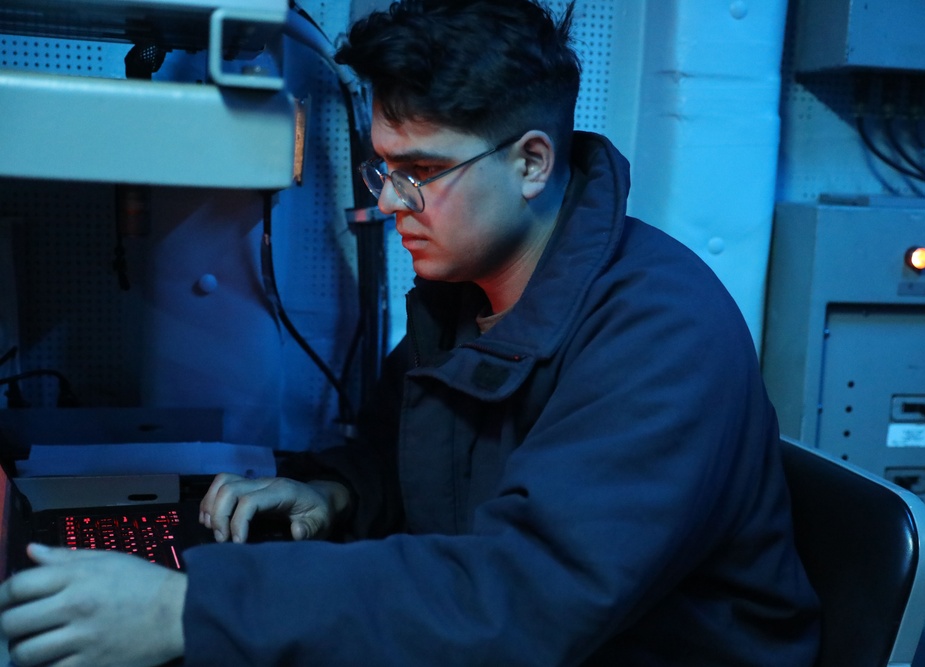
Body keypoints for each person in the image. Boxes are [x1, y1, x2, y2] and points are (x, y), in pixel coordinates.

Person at [0, 1, 821, 665]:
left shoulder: (658, 335)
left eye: (422, 172)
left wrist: (192, 608)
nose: (391, 201)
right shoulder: (468, 294)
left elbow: (521, 598)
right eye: (384, 167)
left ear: (531, 163)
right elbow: (410, 459)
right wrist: (334, 490)